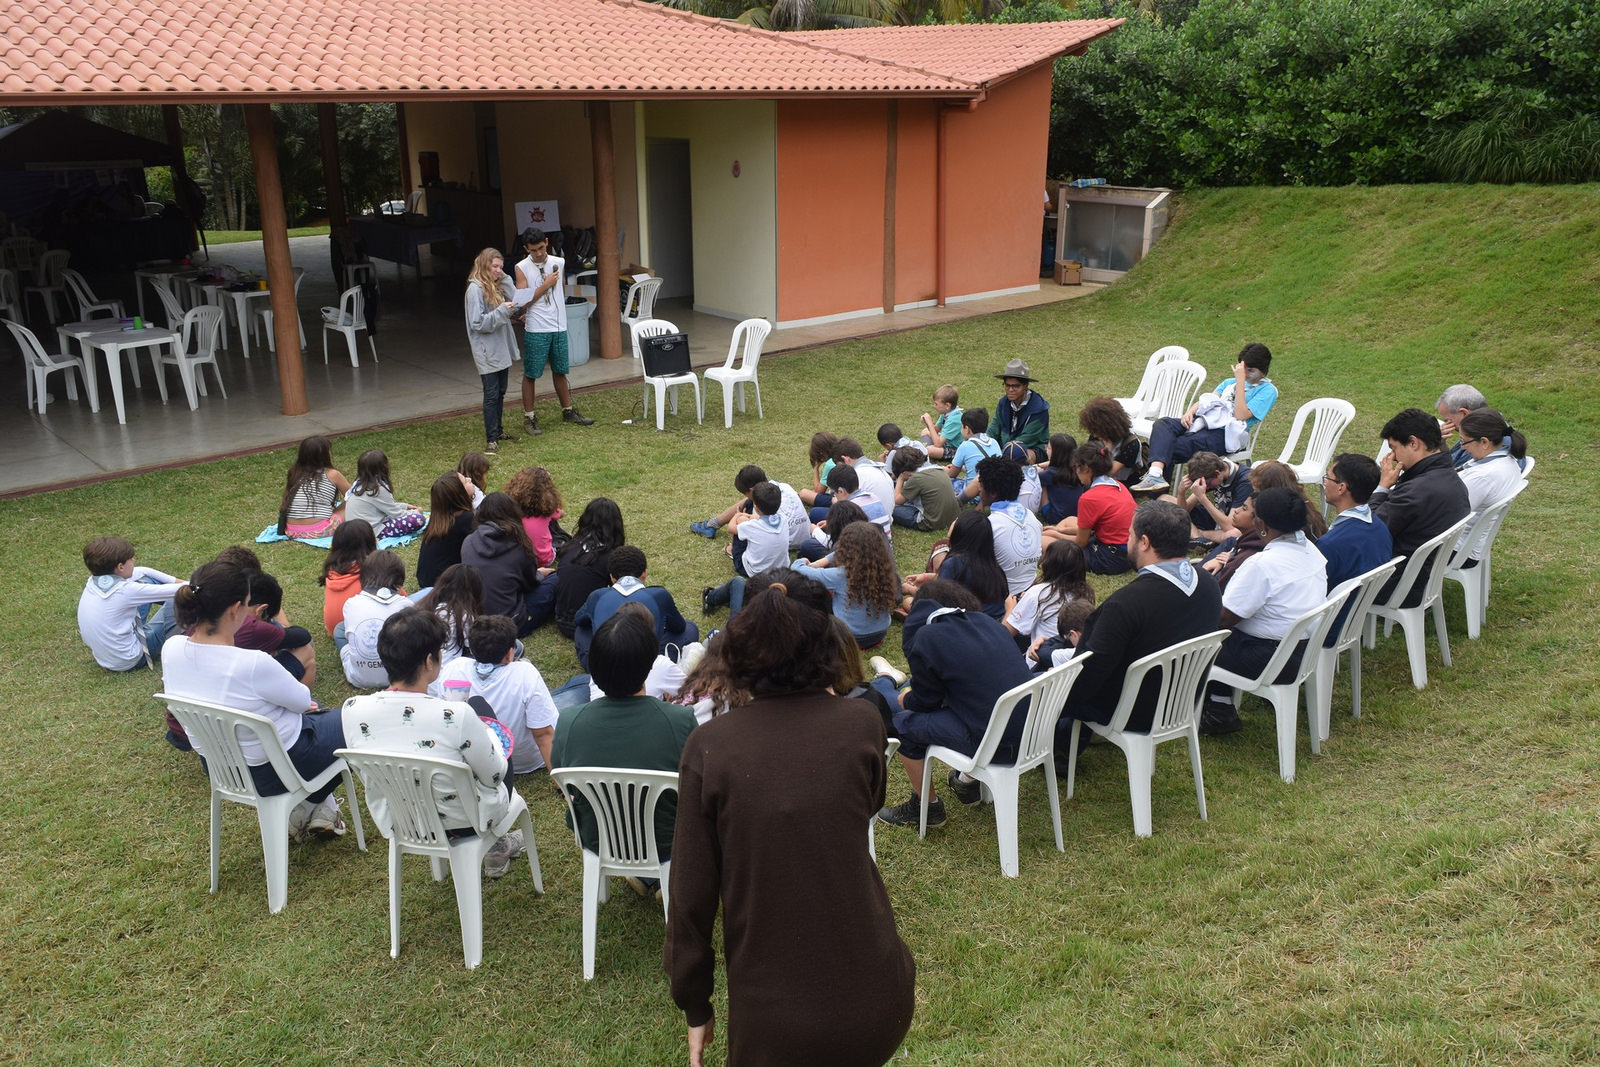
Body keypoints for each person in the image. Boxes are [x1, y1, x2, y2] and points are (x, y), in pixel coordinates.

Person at [667, 582, 914, 1067]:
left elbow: (690, 894)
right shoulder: (862, 722)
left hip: (776, 1027)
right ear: (827, 647)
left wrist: (694, 1001)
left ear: (737, 659)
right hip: (882, 998)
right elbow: (869, 803)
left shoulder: (711, 747)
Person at [164, 562, 348, 837]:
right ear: (235, 609)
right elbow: (302, 701)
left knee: (314, 717)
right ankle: (309, 806)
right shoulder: (252, 663)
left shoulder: (172, 648)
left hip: (219, 768)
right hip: (275, 771)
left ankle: (318, 808)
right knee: (354, 724)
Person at [340, 608, 520, 876]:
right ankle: (497, 845)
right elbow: (495, 776)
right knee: (486, 723)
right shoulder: (457, 715)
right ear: (428, 661)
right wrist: (490, 737)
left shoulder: (352, 710)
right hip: (467, 822)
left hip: (404, 821)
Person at [1053, 501, 1223, 744]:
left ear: (1144, 542)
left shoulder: (1125, 605)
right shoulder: (1209, 585)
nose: (1127, 540)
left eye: (1130, 534)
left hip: (1130, 712)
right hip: (1179, 703)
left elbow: (1086, 678)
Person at [553, 605, 698, 891]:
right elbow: (697, 788)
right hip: (667, 841)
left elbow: (564, 779)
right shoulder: (681, 721)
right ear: (649, 666)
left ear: (594, 667)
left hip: (597, 838)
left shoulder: (569, 723)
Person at [872, 579, 1034, 826]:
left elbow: (925, 703)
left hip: (999, 745)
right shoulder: (987, 623)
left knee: (903, 723)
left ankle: (926, 807)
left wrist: (908, 698)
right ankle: (967, 785)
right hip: (1034, 733)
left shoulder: (928, 637)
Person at [1201, 487, 1328, 735]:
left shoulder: (1262, 564)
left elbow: (1223, 619)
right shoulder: (1311, 550)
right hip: (1302, 651)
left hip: (1269, 659)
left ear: (1262, 526)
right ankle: (1220, 704)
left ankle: (1217, 710)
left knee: (1200, 639)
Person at [1132, 343, 1278, 493]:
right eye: (1243, 369)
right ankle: (1155, 476)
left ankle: (1158, 492)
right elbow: (1208, 401)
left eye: (1251, 370)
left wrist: (1240, 382)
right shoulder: (1229, 383)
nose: (1245, 374)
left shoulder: (1268, 391)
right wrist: (1190, 412)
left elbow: (1241, 415)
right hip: (1203, 422)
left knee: (1170, 445)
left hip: (1225, 434)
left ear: (1263, 369)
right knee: (1163, 424)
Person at [1371, 408, 1470, 605]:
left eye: (1395, 448)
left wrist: (1382, 488)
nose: (1394, 457)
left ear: (1414, 443)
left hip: (1395, 585)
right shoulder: (1451, 477)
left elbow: (1369, 531)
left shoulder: (1415, 492)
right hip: (1423, 577)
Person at [438, 614, 558, 777]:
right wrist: (559, 780)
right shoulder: (525, 673)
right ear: (510, 654)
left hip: (477, 761)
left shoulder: (454, 669)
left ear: (471, 649)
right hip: (526, 761)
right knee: (574, 691)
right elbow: (543, 734)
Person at [512, 226, 592, 434]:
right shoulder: (521, 267)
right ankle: (529, 417)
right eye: (533, 250)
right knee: (531, 373)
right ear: (526, 249)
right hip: (537, 328)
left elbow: (560, 291)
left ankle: (568, 410)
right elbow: (523, 301)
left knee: (560, 370)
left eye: (541, 248)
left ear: (547, 242)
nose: (538, 253)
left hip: (558, 325)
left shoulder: (559, 262)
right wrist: (546, 284)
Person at [573, 545, 700, 668]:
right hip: (648, 667)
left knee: (581, 630)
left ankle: (594, 664)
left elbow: (579, 620)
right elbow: (679, 627)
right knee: (690, 628)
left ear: (612, 577)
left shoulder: (597, 596)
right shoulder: (660, 595)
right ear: (644, 574)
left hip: (604, 668)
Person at [78, 536, 186, 671]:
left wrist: (178, 581)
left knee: (147, 580)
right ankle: (203, 627)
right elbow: (185, 590)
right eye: (131, 559)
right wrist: (196, 584)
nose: (134, 561)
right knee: (183, 600)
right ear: (120, 567)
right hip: (132, 659)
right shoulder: (126, 591)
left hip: (105, 658)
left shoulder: (94, 581)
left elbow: (144, 572)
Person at [794, 521, 900, 649]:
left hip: (850, 636)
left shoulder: (841, 575)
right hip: (880, 633)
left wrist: (802, 560)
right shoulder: (884, 569)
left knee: (819, 593)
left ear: (845, 548)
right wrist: (822, 561)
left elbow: (797, 570)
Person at [461, 491, 554, 635]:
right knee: (555, 580)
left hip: (476, 619)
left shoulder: (468, 542)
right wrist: (540, 574)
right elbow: (530, 584)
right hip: (510, 624)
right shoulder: (519, 547)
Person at [1039, 443, 1134, 575]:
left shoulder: (1089, 498)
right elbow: (1093, 528)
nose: (1076, 472)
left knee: (1042, 540)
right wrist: (1060, 530)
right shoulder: (1118, 485)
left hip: (1109, 557)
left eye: (1075, 467)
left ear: (1086, 469)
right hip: (1128, 551)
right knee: (1069, 520)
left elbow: (1080, 542)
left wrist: (1055, 535)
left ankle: (1049, 556)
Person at [902, 509, 1010, 620]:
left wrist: (910, 589)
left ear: (961, 530)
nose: (953, 522)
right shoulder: (992, 565)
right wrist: (925, 577)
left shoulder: (953, 563)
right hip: (994, 622)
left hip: (967, 623)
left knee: (909, 602)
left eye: (957, 521)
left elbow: (937, 601)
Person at [702, 482, 790, 615]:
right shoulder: (783, 519)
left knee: (739, 528)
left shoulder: (751, 527)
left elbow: (730, 528)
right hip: (781, 570)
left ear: (756, 506)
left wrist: (737, 516)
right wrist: (749, 517)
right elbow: (759, 519)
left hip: (754, 571)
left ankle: (732, 551)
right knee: (746, 526)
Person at [463, 247, 519, 454]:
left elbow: (516, 299)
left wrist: (505, 278)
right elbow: (477, 323)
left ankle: (498, 431)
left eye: (500, 267)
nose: (498, 270)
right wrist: (502, 311)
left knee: (501, 391)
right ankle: (491, 439)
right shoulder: (475, 289)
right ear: (484, 264)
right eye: (495, 266)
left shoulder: (495, 285)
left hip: (500, 347)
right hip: (486, 351)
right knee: (491, 394)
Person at [1453, 408, 1527, 562]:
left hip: (1456, 550)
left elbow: (1448, 517)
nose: (1462, 447)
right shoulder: (1507, 459)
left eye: (1464, 441)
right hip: (1469, 543)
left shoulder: (1482, 477)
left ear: (1484, 442)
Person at [1316, 454, 1393, 591]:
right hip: (1364, 600)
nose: (1325, 483)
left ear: (1341, 488)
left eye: (1328, 478)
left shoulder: (1329, 544)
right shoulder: (1380, 528)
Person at [690, 464, 810, 550]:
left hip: (785, 542)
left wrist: (739, 518)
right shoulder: (785, 486)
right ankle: (713, 524)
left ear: (751, 490)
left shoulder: (759, 507)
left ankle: (712, 525)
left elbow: (744, 529)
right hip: (805, 537)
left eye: (745, 493)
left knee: (743, 515)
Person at [553, 497, 626, 640]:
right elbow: (623, 591)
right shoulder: (609, 557)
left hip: (561, 619)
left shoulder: (571, 547)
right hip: (586, 624)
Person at [1004, 539, 1094, 652]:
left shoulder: (1037, 594)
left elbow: (1005, 633)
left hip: (1042, 657)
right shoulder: (1086, 593)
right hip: (1071, 655)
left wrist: (1010, 608)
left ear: (1048, 564)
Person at [339, 550, 411, 688]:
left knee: (339, 630)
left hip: (358, 678)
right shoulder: (407, 606)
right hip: (399, 678)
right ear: (399, 580)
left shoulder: (351, 603)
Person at [977, 455, 1044, 595]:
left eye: (981, 485)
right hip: (1029, 591)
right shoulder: (1032, 518)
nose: (979, 490)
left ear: (993, 493)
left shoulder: (989, 526)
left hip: (1002, 597)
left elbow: (974, 570)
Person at [279, 435, 350, 539]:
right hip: (318, 531)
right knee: (357, 506)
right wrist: (336, 511)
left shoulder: (295, 472)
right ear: (325, 455)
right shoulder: (332, 474)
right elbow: (353, 497)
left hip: (291, 530)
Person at [343, 449, 425, 539]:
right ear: (384, 467)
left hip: (354, 531)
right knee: (418, 519)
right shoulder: (378, 488)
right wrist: (416, 512)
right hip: (371, 532)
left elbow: (385, 506)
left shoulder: (358, 485)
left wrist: (405, 506)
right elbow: (396, 513)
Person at [1172, 450, 1253, 542]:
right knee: (1165, 499)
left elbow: (1230, 526)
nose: (1206, 487)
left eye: (1207, 484)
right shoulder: (1213, 475)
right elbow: (1183, 511)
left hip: (1233, 523)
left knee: (1234, 534)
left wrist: (1202, 498)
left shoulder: (1245, 482)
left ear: (1217, 473)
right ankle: (1197, 536)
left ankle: (1197, 536)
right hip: (1216, 519)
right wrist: (1181, 492)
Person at [415, 563, 485, 669]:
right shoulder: (464, 615)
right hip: (445, 668)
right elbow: (475, 647)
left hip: (422, 667)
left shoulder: (426, 604)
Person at [415, 473, 478, 591]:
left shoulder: (439, 519)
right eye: (465, 481)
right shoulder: (465, 519)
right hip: (444, 585)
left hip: (426, 579)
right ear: (459, 493)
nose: (469, 479)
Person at [320, 519, 376, 637]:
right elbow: (402, 599)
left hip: (334, 630)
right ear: (370, 541)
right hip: (362, 632)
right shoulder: (374, 570)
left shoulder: (332, 570)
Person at [988, 357, 1050, 463]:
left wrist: (1001, 454)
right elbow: (994, 428)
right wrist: (984, 444)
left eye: (1015, 386)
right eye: (1007, 385)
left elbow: (1027, 439)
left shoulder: (1039, 409)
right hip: (1004, 447)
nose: (1010, 390)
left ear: (1025, 385)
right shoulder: (1003, 403)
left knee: (1023, 456)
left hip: (1030, 448)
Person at [1077, 395, 1146, 487]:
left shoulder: (1131, 444)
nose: (1094, 435)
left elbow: (1109, 473)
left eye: (1097, 431)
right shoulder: (1097, 436)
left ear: (1108, 428)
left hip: (1122, 482)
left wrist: (1107, 452)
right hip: (1096, 478)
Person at [504, 465, 565, 567]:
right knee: (552, 523)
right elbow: (561, 514)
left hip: (520, 559)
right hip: (544, 559)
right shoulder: (547, 509)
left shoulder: (511, 508)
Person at [890, 444, 959, 533]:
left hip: (930, 522)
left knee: (889, 506)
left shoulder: (916, 478)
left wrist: (901, 478)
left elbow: (897, 501)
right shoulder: (938, 469)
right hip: (951, 518)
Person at [947, 407, 1000, 502]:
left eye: (962, 427)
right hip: (994, 493)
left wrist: (942, 471)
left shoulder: (965, 446)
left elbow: (952, 473)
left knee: (946, 483)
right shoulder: (994, 442)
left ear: (967, 429)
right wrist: (963, 468)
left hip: (974, 496)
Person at [1435, 383, 1488, 469]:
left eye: (1448, 420)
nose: (1446, 425)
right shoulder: (1477, 430)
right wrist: (1441, 444)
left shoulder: (1482, 441)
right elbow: (1452, 462)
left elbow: (1452, 471)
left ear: (1464, 413)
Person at [1037, 433, 1086, 524]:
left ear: (1055, 453)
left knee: (1042, 484)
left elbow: (1030, 474)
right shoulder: (1078, 470)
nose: (1046, 448)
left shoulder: (1049, 474)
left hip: (1055, 517)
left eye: (1048, 447)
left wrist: (1038, 466)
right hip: (1077, 515)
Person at [798, 430, 841, 513]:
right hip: (848, 493)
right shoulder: (843, 454)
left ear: (821, 452)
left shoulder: (830, 464)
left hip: (839, 498)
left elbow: (818, 491)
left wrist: (815, 468)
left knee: (803, 493)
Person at [918, 384, 963, 461]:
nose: (934, 406)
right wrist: (927, 423)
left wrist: (930, 423)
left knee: (930, 450)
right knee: (925, 431)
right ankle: (926, 452)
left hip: (956, 449)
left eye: (936, 404)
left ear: (947, 405)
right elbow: (936, 430)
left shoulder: (954, 419)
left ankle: (926, 452)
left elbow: (938, 444)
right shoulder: (946, 413)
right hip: (946, 442)